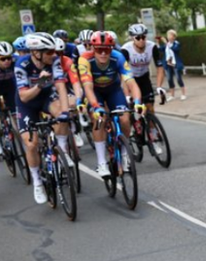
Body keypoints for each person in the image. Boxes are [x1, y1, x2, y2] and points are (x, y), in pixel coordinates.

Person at [14, 32, 71, 204]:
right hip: (27, 104)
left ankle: (62, 150)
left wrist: (66, 112)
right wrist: (39, 84)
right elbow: (23, 97)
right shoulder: (21, 65)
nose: (53, 55)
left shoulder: (54, 61)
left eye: (54, 51)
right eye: (48, 52)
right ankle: (37, 182)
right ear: (35, 53)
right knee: (31, 144)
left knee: (62, 113)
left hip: (47, 98)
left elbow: (61, 87)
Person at [78, 31, 144, 177]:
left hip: (113, 90)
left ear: (111, 49)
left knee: (125, 119)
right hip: (95, 92)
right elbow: (87, 88)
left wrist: (138, 102)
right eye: (99, 49)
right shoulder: (84, 60)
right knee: (99, 119)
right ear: (92, 49)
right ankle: (101, 162)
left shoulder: (118, 57)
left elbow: (131, 83)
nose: (103, 53)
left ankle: (125, 154)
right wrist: (95, 106)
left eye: (106, 49)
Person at [122, 24, 161, 113]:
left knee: (149, 107)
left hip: (144, 78)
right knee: (133, 108)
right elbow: (123, 73)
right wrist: (127, 94)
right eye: (138, 38)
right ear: (132, 38)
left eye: (143, 37)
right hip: (131, 79)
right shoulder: (126, 50)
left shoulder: (152, 46)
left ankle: (152, 127)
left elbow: (160, 67)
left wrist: (159, 86)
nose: (141, 40)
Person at [165, 29, 185, 100]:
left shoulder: (176, 43)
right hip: (168, 63)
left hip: (175, 63)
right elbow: (161, 49)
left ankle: (183, 94)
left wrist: (167, 44)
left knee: (178, 78)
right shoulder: (167, 44)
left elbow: (175, 49)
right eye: (168, 35)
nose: (168, 37)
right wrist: (158, 43)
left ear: (174, 36)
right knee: (169, 79)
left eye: (170, 35)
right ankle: (172, 95)